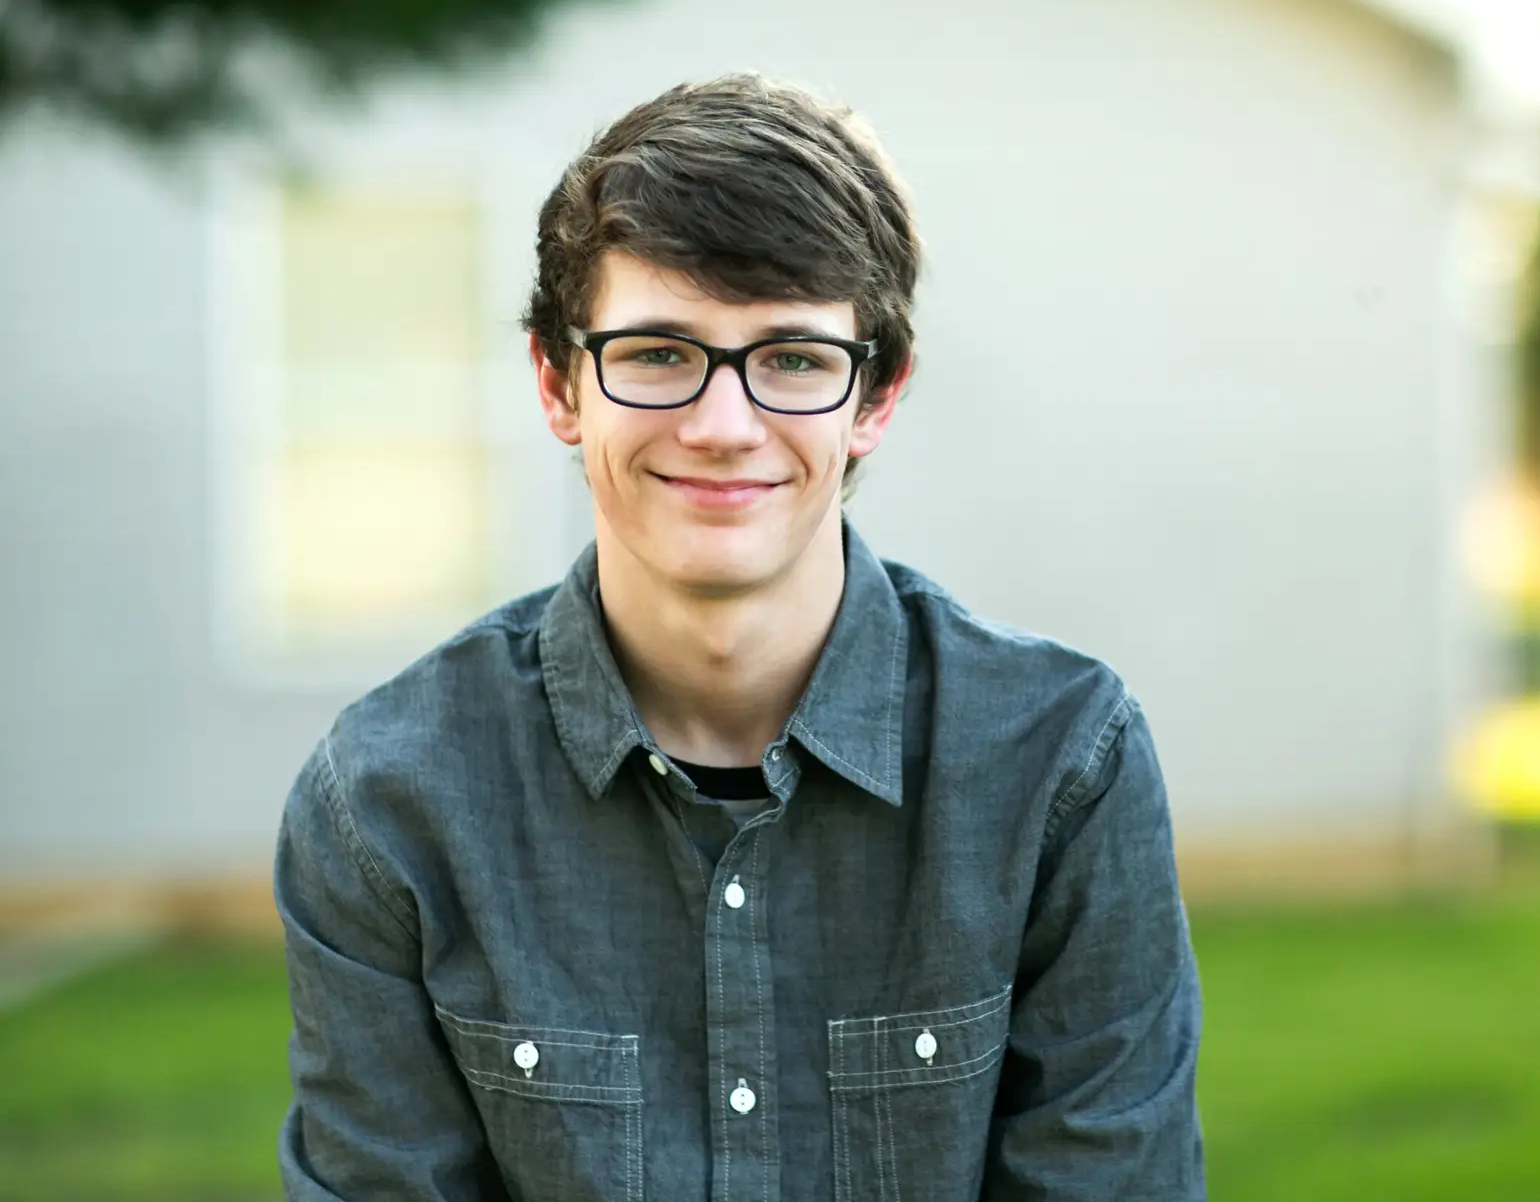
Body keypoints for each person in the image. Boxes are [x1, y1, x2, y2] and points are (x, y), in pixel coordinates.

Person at [274, 73, 1205, 1200]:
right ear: (558, 382)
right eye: (660, 352)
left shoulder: (1062, 763)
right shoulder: (385, 802)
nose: (724, 425)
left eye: (793, 359)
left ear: (877, 395)